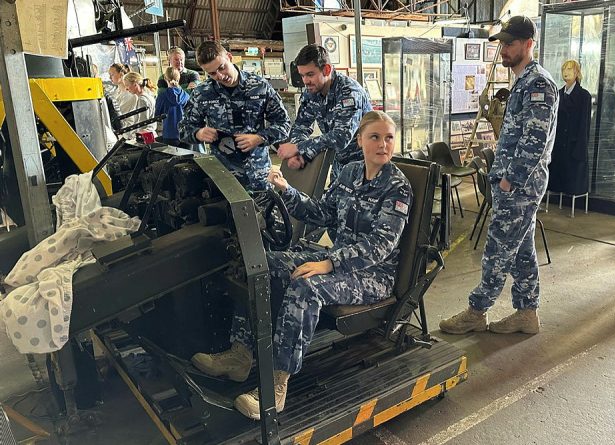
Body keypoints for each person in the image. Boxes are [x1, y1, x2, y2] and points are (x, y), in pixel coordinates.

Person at [189, 111, 412, 418]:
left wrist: (328, 264)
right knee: (260, 264)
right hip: (340, 261)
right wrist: (286, 190)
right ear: (360, 140)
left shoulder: (397, 187)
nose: (383, 144)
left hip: (373, 273)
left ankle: (277, 386)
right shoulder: (349, 173)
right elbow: (322, 213)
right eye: (375, 136)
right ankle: (241, 355)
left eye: (389, 137)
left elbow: (380, 246)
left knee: (306, 286)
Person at [439, 15, 559, 335]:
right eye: (502, 44)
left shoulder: (538, 83)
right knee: (520, 248)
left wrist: (510, 179)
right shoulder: (522, 81)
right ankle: (527, 312)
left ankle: (477, 311)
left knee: (498, 246)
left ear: (528, 44)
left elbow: (535, 142)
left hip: (519, 184)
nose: (503, 50)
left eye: (509, 44)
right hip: (513, 182)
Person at [179, 41, 291, 191]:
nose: (219, 76)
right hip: (223, 177)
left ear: (229, 57)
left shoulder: (259, 87)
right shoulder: (202, 93)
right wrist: (198, 133)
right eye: (212, 73)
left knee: (265, 214)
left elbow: (284, 123)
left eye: (221, 67)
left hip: (259, 174)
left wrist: (260, 138)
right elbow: (183, 128)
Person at [276, 44, 372, 182]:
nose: (305, 81)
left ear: (326, 69)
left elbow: (340, 137)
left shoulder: (349, 92)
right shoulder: (311, 92)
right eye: (302, 75)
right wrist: (299, 155)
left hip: (365, 167)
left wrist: (298, 148)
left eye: (310, 74)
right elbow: (300, 126)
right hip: (339, 166)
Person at [548, 59, 592, 196]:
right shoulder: (558, 94)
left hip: (573, 147)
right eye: (563, 70)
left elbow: (584, 125)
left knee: (573, 183)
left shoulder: (584, 96)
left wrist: (580, 150)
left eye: (569, 69)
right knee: (557, 181)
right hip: (559, 146)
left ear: (577, 72)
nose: (565, 73)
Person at [155, 67, 190, 147]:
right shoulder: (186, 96)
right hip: (186, 135)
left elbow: (157, 116)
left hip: (169, 134)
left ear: (165, 78)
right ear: (179, 78)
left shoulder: (162, 97)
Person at [121, 72, 157, 139]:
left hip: (145, 136)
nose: (126, 88)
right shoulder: (148, 96)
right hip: (149, 134)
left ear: (135, 84)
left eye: (127, 85)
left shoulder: (142, 100)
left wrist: (132, 137)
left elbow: (142, 124)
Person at [106, 63, 138, 131]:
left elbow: (118, 112)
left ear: (121, 74)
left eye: (112, 74)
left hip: (129, 131)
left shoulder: (130, 94)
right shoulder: (116, 92)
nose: (110, 77)